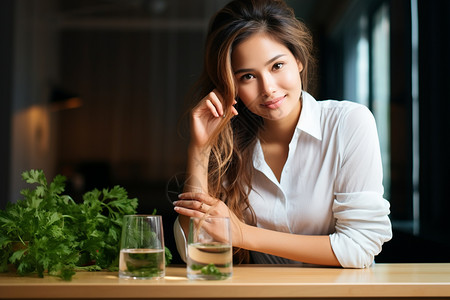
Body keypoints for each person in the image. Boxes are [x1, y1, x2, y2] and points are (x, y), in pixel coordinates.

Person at [173, 0, 392, 268]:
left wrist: (243, 235)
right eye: (247, 77)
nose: (268, 89)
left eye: (277, 66)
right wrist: (200, 149)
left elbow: (360, 247)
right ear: (231, 85)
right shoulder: (229, 145)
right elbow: (197, 253)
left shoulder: (349, 123)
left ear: (298, 60)